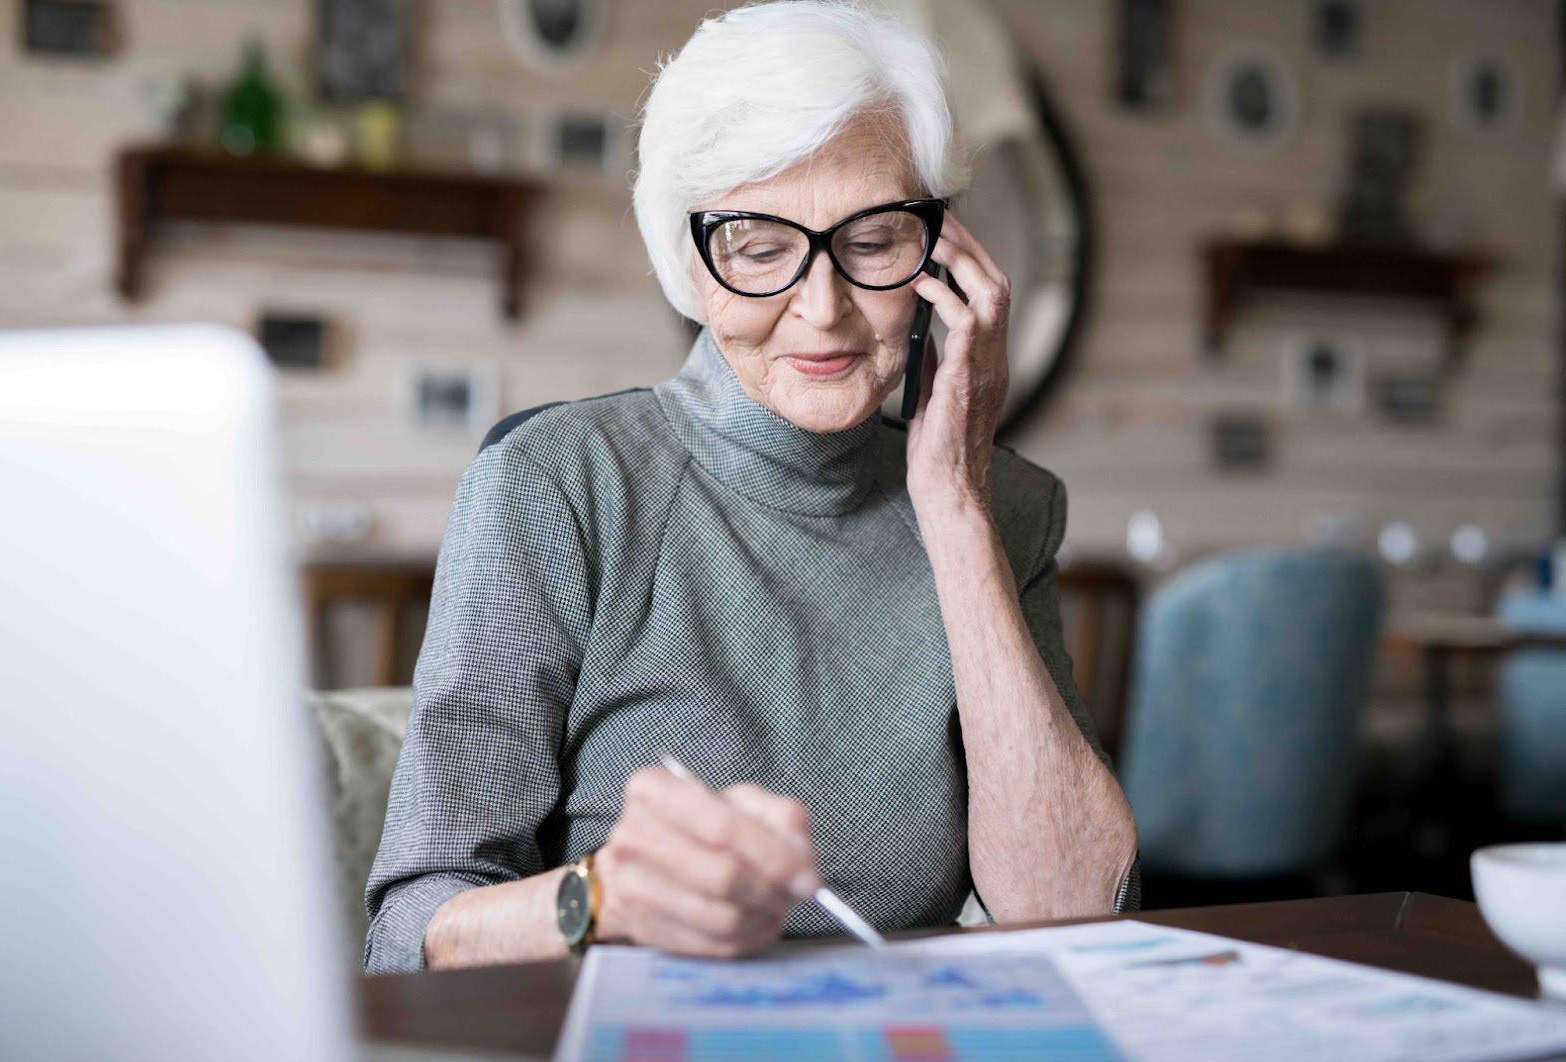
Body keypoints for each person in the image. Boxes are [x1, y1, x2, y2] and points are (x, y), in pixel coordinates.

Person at [364, 0, 1139, 975]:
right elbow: (406, 936)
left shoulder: (1006, 508)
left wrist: (953, 505)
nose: (821, 310)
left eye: (871, 242)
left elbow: (1071, 911)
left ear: (940, 256)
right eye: (758, 246)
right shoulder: (555, 486)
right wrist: (595, 896)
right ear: (690, 265)